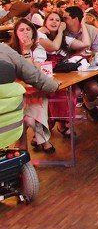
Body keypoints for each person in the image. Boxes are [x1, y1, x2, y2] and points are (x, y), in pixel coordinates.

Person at [8, 19, 56, 153]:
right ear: (16, 33)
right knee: (24, 115)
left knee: (29, 114)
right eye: (21, 30)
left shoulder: (38, 48)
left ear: (33, 32)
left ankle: (22, 148)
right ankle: (42, 140)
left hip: (34, 91)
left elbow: (34, 76)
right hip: (16, 92)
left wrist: (27, 51)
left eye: (28, 29)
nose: (25, 33)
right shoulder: (9, 50)